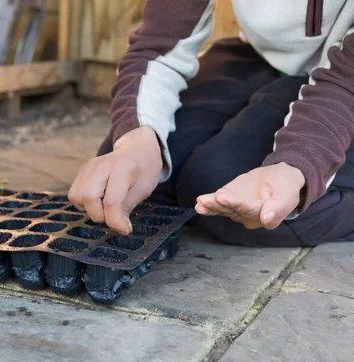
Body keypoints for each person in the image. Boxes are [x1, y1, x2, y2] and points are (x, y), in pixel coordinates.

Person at [68, 0, 354, 247]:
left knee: (228, 194)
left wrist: (296, 167)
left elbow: (345, 85)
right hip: (263, 57)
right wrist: (135, 140)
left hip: (346, 84)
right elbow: (159, 41)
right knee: (133, 180)